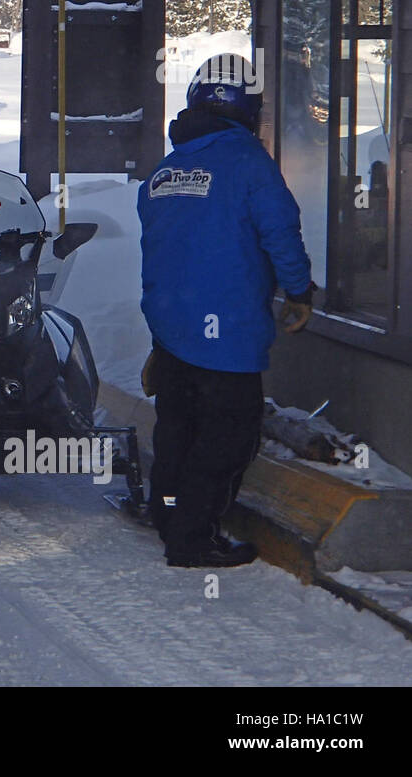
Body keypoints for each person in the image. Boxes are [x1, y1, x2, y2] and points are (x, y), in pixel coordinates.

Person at [137, 54, 313, 569]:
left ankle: (167, 515)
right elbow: (281, 234)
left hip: (172, 329)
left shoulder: (166, 170)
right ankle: (193, 539)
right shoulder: (248, 165)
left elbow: (166, 249)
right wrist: (300, 293)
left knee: (175, 434)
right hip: (227, 337)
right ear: (249, 110)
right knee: (225, 441)